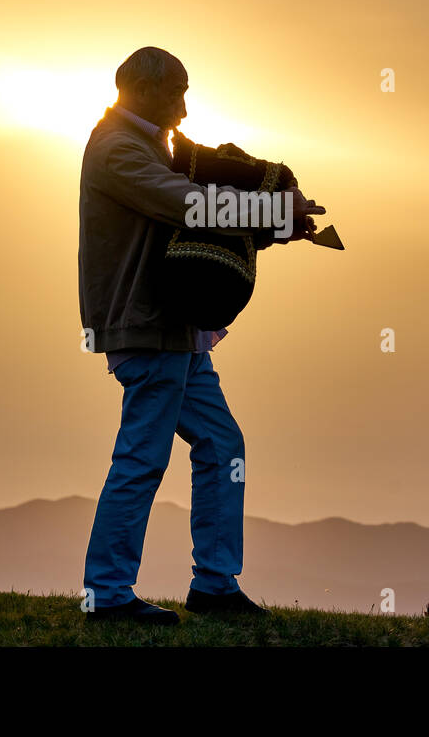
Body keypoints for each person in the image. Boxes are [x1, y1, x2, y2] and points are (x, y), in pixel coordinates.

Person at [78, 46, 325, 624]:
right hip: (147, 326)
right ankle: (108, 594)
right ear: (141, 91)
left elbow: (194, 208)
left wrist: (277, 224)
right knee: (142, 456)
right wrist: (268, 209)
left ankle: (214, 585)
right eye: (175, 93)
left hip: (176, 328)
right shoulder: (117, 151)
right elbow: (187, 204)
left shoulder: (143, 146)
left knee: (222, 446)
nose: (184, 108)